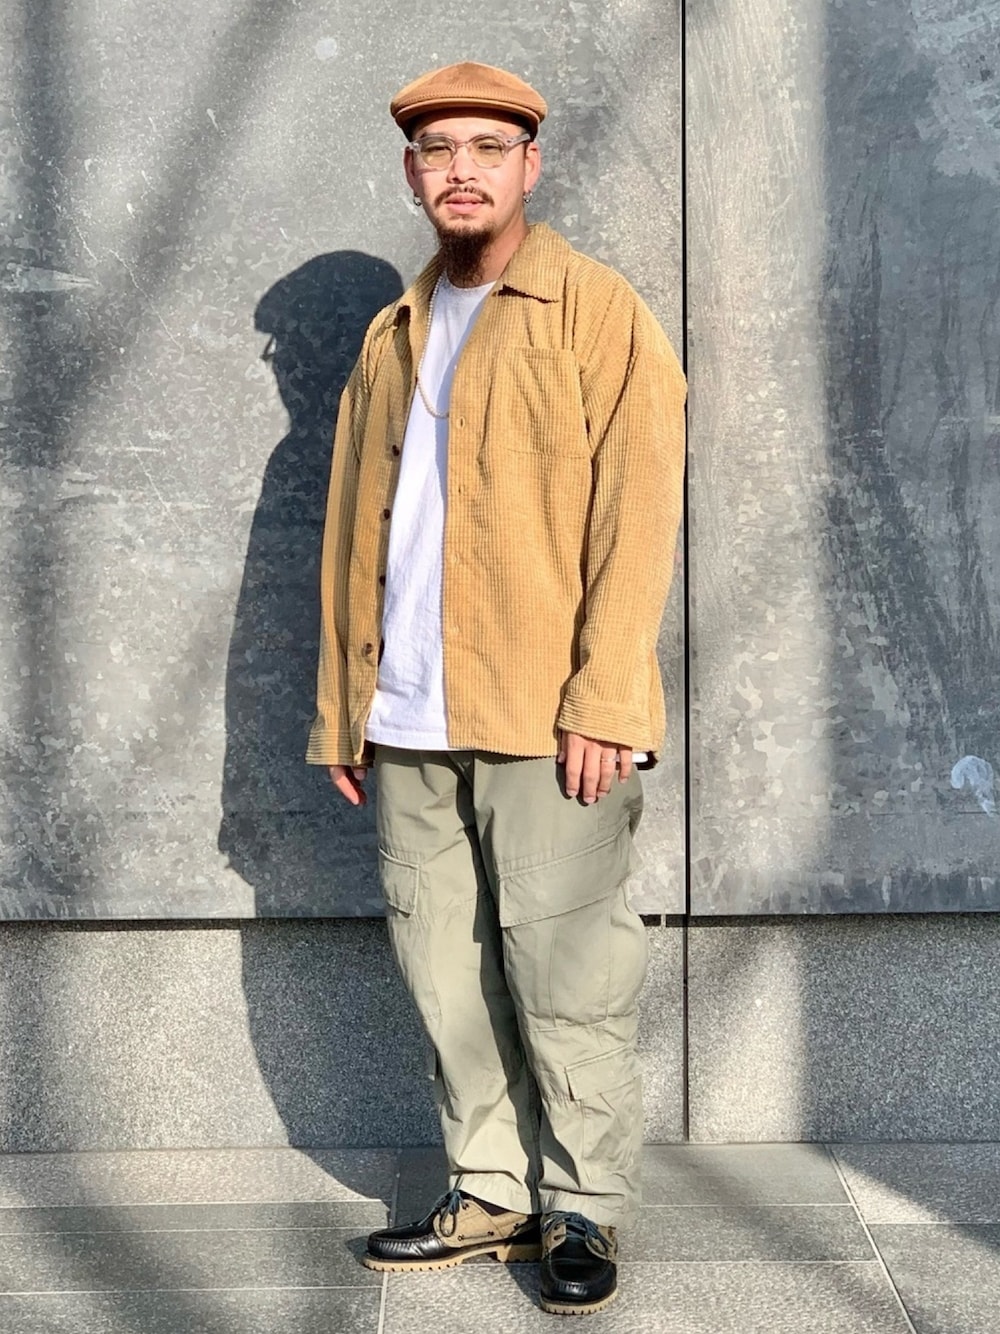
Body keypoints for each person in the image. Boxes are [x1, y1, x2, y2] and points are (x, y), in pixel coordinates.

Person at [306, 60, 686, 1316]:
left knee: (569, 971)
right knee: (442, 966)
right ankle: (489, 1188)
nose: (459, 170)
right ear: (410, 172)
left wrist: (607, 696)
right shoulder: (392, 333)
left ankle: (581, 1202)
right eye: (437, 150)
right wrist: (343, 704)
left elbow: (638, 515)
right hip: (406, 711)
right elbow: (353, 531)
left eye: (485, 147)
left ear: (532, 164)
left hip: (544, 710)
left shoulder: (594, 310)